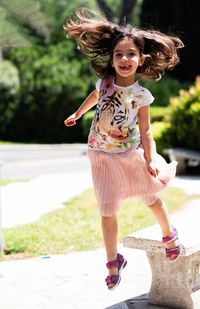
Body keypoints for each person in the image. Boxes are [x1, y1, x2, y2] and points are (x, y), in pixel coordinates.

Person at [63, 8, 184, 291]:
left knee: (151, 197)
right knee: (107, 211)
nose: (124, 59)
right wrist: (78, 114)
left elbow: (146, 130)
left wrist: (151, 157)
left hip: (129, 156)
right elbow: (94, 96)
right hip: (100, 156)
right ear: (113, 59)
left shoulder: (142, 95)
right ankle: (113, 260)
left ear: (141, 59)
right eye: (119, 54)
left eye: (130, 54)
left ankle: (170, 235)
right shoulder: (105, 83)